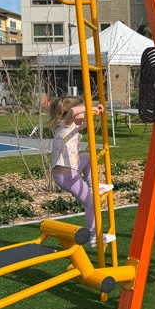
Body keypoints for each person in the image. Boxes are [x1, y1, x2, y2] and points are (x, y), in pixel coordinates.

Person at [49, 95, 111, 246]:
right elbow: (74, 112)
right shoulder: (66, 124)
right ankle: (95, 235)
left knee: (87, 157)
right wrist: (90, 107)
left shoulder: (70, 127)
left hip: (68, 170)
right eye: (83, 111)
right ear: (74, 112)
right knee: (90, 203)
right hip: (67, 176)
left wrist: (97, 110)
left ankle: (93, 185)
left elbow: (85, 122)